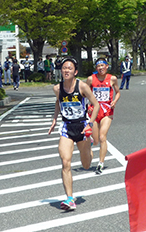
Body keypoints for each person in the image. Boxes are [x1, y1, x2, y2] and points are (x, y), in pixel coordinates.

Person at [48, 56, 100, 210]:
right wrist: (54, 119)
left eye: (70, 68)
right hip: (67, 127)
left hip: (83, 126)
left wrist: (90, 124)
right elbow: (59, 102)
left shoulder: (82, 86)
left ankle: (89, 148)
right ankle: (70, 199)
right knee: (65, 162)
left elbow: (95, 105)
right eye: (64, 68)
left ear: (75, 71)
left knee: (86, 165)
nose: (66, 70)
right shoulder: (57, 88)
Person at [86, 57, 121, 174]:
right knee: (96, 140)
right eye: (98, 66)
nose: (101, 68)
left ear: (107, 66)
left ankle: (101, 163)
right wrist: (88, 107)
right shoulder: (91, 79)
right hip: (95, 111)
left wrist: (114, 101)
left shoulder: (113, 79)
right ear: (96, 68)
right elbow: (85, 94)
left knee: (102, 137)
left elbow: (118, 92)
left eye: (103, 66)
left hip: (107, 111)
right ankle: (91, 141)